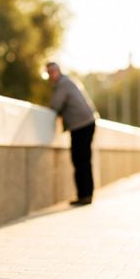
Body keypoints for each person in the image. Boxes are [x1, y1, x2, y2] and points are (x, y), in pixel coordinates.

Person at [46, 62, 98, 206]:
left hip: (82, 126)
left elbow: (55, 105)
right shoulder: (67, 81)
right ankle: (86, 195)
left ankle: (85, 196)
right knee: (83, 160)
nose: (51, 75)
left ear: (58, 71)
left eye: (52, 71)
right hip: (85, 124)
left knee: (80, 160)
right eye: (48, 72)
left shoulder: (63, 84)